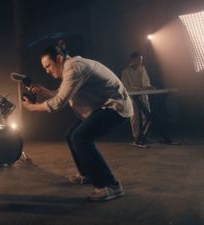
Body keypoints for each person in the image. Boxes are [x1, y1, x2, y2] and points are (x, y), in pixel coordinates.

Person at [22, 46, 133, 201]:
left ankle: (111, 186)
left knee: (80, 137)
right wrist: (43, 90)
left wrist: (32, 108)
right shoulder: (71, 67)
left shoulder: (74, 68)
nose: (47, 71)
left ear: (59, 59)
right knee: (71, 135)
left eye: (48, 66)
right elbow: (61, 95)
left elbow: (58, 103)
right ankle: (86, 174)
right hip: (101, 107)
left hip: (115, 107)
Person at [121, 52, 155, 145]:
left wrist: (148, 86)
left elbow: (146, 81)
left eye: (141, 59)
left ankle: (145, 135)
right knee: (135, 117)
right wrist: (138, 89)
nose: (141, 61)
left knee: (147, 115)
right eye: (139, 59)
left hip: (143, 95)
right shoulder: (125, 72)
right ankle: (136, 137)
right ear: (133, 60)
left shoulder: (142, 69)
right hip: (133, 96)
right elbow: (125, 86)